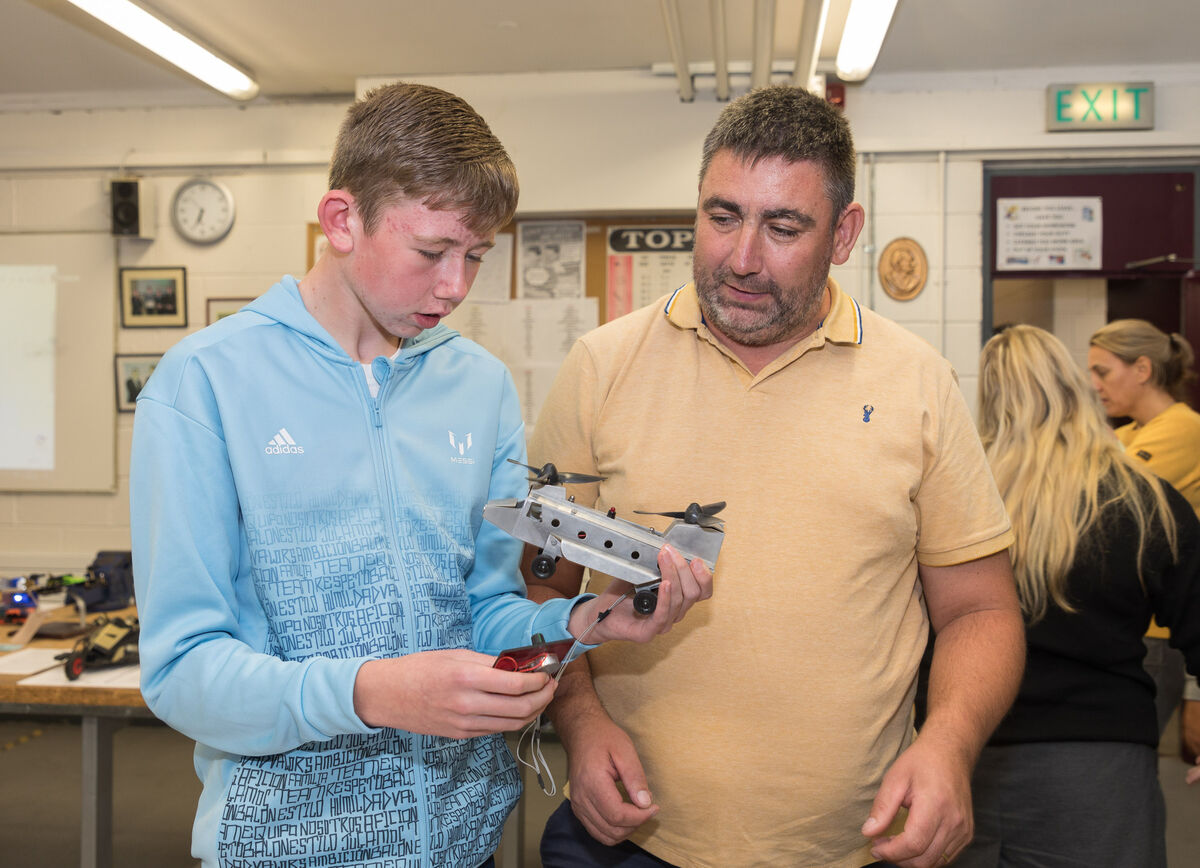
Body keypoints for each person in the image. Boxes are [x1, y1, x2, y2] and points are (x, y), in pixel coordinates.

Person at [129, 82, 712, 868]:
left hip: (467, 838)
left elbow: (484, 611)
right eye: (432, 251)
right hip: (284, 843)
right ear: (342, 220)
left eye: (475, 255)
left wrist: (581, 626)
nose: (456, 286)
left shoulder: (479, 384)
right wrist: (373, 691)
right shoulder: (206, 383)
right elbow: (182, 671)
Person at [525, 85, 1025, 868]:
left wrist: (950, 745)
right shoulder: (601, 369)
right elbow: (538, 588)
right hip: (627, 839)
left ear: (845, 233)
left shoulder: (918, 383)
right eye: (721, 217)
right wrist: (582, 723)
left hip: (851, 846)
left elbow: (981, 611)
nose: (741, 258)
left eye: (783, 227)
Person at [954, 324, 1200, 867]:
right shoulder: (1140, 500)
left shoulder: (960, 500)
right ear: (1072, 386)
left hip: (961, 752)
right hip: (1100, 767)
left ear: (989, 400)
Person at [1089, 319, 1200, 761]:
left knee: (1123, 758)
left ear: (1142, 369)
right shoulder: (1129, 433)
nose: (1094, 385)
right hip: (1133, 623)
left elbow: (1104, 497)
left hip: (1162, 630)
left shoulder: (1183, 428)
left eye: (1103, 371)